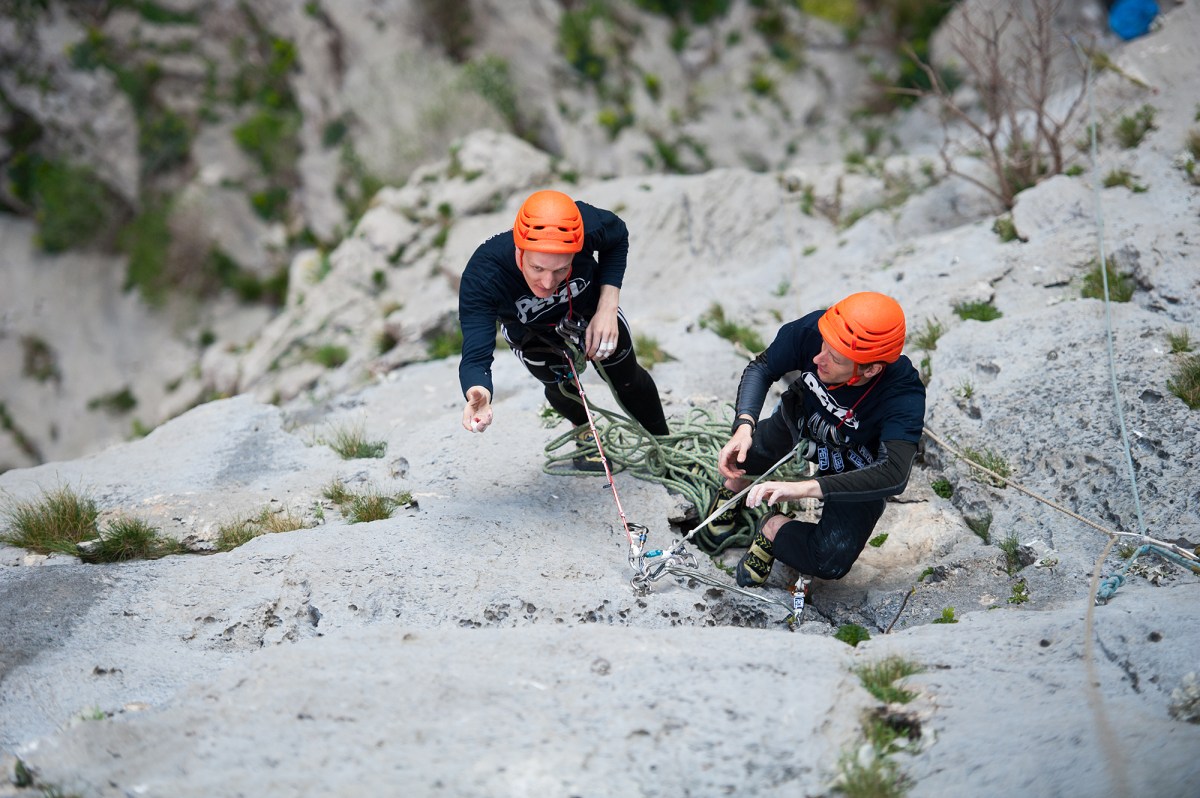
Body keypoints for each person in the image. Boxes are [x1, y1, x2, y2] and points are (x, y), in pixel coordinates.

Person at [714, 291, 926, 587]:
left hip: (855, 461)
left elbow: (893, 473)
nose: (817, 358)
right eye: (824, 345)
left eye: (834, 358)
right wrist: (744, 425)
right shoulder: (817, 330)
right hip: (803, 417)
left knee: (829, 560)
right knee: (743, 453)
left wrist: (803, 489)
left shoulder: (902, 394)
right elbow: (762, 367)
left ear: (871, 369)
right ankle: (736, 484)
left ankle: (773, 529)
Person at [457, 189, 669, 469]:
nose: (547, 283)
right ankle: (585, 433)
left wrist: (607, 308)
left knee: (625, 376)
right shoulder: (483, 275)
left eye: (561, 269)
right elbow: (475, 356)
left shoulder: (584, 226)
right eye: (537, 268)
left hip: (589, 307)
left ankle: (667, 447)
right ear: (520, 250)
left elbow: (618, 236)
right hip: (532, 334)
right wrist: (480, 392)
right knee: (560, 386)